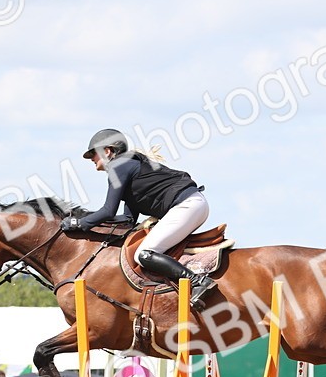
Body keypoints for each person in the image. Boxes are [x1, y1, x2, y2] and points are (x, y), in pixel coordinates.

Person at [60, 128, 216, 310]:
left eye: (93, 153)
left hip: (187, 205)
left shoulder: (119, 167)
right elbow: (127, 220)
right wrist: (88, 221)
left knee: (144, 254)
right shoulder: (127, 169)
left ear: (108, 151)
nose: (92, 159)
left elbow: (108, 210)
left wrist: (80, 223)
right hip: (191, 205)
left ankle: (197, 282)